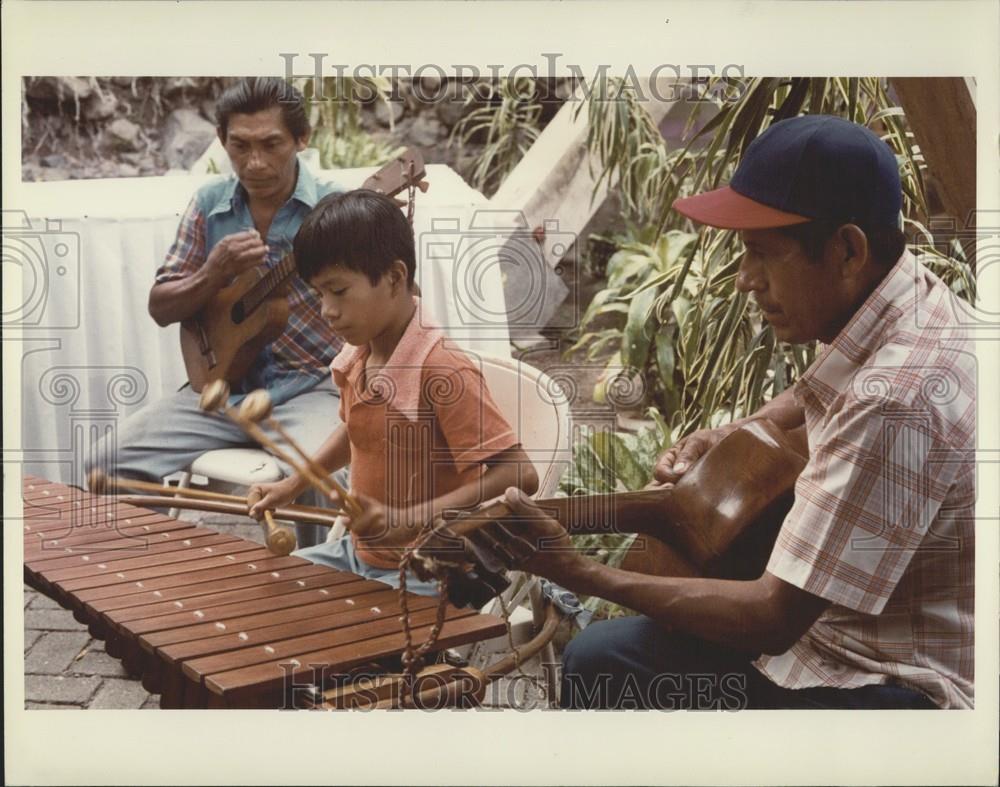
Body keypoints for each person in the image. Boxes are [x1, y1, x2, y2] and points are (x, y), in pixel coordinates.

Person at [498, 114, 975, 709]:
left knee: (601, 662)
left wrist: (575, 571)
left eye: (761, 254)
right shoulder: (903, 297)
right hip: (844, 635)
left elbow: (773, 617)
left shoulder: (894, 399)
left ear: (847, 249)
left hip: (894, 683)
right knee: (611, 652)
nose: (746, 279)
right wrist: (734, 430)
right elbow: (811, 394)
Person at [85, 77, 345, 547]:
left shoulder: (334, 207)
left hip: (311, 386)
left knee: (323, 481)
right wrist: (211, 272)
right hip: (219, 388)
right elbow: (161, 306)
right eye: (239, 146)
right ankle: (152, 584)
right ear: (222, 141)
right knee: (106, 464)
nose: (255, 162)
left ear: (302, 140)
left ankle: (319, 593)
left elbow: (385, 304)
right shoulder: (210, 203)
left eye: (272, 144)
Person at [247, 189, 539, 594]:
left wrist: (411, 518)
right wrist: (292, 486)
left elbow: (520, 473)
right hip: (358, 555)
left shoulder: (442, 371)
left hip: (432, 569)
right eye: (319, 294)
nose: (326, 310)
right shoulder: (358, 356)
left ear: (395, 277)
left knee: (340, 644)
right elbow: (357, 432)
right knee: (270, 592)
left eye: (339, 291)